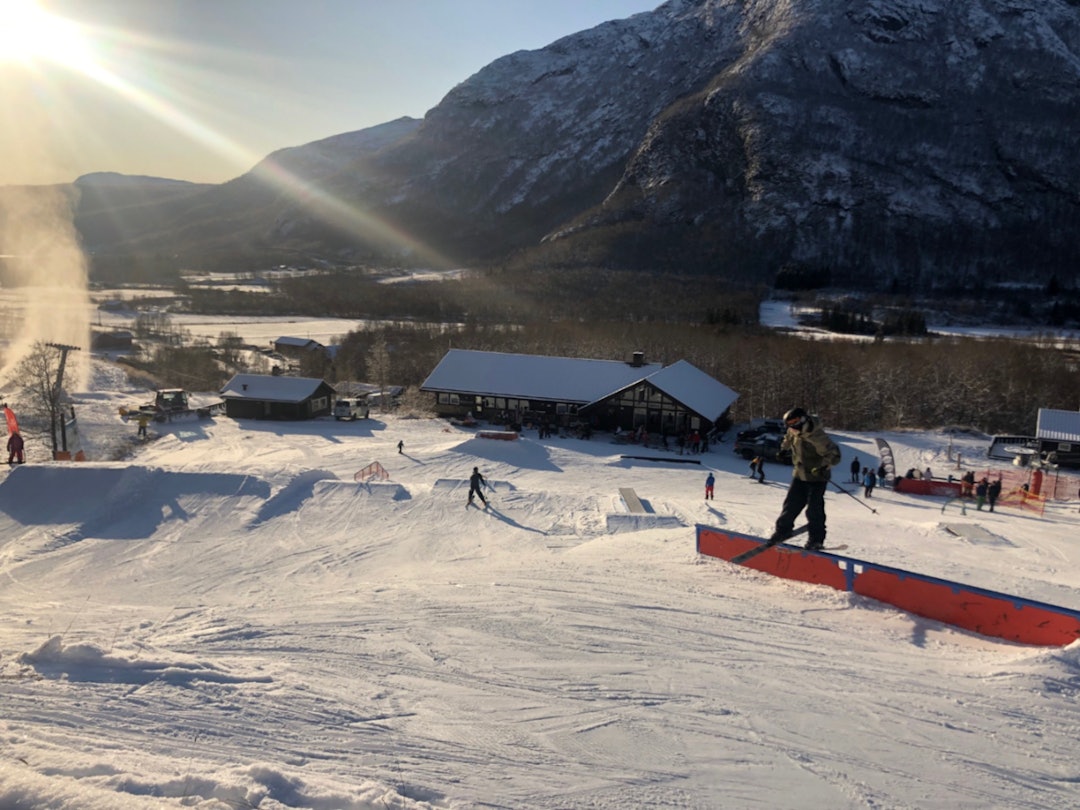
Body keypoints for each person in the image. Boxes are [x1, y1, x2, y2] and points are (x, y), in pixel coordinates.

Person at [769, 407, 842, 551]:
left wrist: (823, 467)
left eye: (794, 422)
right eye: (789, 423)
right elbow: (788, 440)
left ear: (803, 419)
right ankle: (783, 531)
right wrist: (783, 450)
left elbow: (835, 455)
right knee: (790, 506)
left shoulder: (816, 436)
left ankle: (816, 540)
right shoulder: (793, 431)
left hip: (817, 478)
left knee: (814, 509)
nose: (792, 426)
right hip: (799, 475)